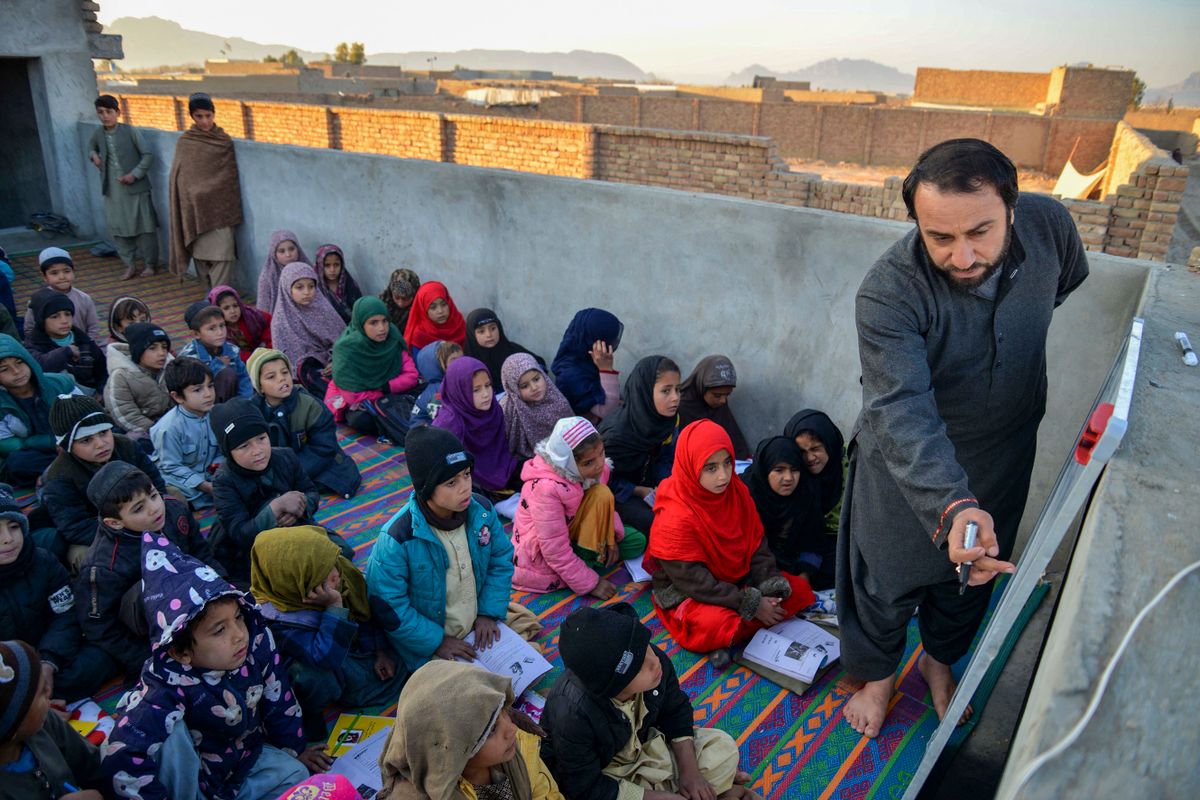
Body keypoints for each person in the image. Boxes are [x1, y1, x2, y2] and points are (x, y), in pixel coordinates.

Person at [838, 138, 1089, 739]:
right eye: (940, 238)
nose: (963, 255)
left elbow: (1065, 281)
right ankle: (876, 678)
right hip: (907, 464)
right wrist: (952, 503)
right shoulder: (889, 291)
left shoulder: (1051, 225)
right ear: (916, 225)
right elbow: (901, 407)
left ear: (1013, 207)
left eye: (980, 232)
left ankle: (937, 662)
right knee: (885, 577)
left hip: (1003, 452)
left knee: (972, 572)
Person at [100, 536, 319, 800]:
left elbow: (280, 700)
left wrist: (294, 749)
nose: (239, 634)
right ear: (181, 652)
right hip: (193, 779)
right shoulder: (163, 685)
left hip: (241, 760)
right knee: (171, 735)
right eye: (219, 630)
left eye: (238, 618)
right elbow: (122, 759)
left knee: (296, 774)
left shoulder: (256, 642)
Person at [541, 603, 754, 800]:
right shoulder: (573, 713)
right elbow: (582, 785)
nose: (654, 661)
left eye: (646, 647)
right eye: (639, 666)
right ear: (614, 686)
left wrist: (691, 773)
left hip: (646, 747)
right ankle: (720, 790)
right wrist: (660, 798)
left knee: (722, 748)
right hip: (610, 770)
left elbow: (676, 710)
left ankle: (700, 787)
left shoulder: (654, 662)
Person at [647, 420, 815, 668]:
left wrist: (768, 588)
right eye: (711, 468)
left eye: (727, 463)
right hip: (691, 592)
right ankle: (740, 627)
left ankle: (739, 633)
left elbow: (756, 542)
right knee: (717, 624)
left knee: (798, 590)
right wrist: (751, 604)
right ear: (690, 465)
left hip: (737, 580)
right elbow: (696, 582)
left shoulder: (736, 492)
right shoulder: (675, 516)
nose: (724, 475)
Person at [365, 425, 517, 675]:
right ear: (426, 488)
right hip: (429, 641)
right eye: (451, 482)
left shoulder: (481, 511)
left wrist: (489, 613)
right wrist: (437, 641)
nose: (465, 487)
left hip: (476, 626)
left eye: (467, 474)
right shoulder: (398, 538)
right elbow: (389, 606)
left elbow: (500, 560)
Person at [249, 526, 404, 741]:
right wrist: (334, 606)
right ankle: (314, 712)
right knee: (314, 677)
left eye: (332, 563)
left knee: (403, 651)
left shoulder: (339, 570)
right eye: (322, 570)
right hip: (324, 659)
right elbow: (325, 657)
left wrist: (379, 651)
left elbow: (364, 612)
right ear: (294, 578)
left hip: (347, 643)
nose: (335, 573)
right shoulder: (276, 619)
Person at [77, 462, 224, 683]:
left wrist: (226, 590)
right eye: (138, 508)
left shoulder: (174, 510)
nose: (154, 508)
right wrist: (149, 659)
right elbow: (101, 627)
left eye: (153, 495)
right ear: (114, 523)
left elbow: (202, 554)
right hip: (149, 630)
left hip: (194, 602)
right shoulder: (103, 566)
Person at [208, 398, 353, 584]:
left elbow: (310, 491)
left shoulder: (285, 456)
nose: (257, 450)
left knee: (341, 554)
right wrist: (276, 508)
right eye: (244, 446)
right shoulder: (224, 481)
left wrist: (299, 506)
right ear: (228, 451)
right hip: (253, 549)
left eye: (261, 439)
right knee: (296, 578)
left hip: (298, 525)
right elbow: (239, 532)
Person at [378, 660, 564, 800]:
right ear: (450, 751)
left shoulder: (520, 746)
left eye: (504, 712)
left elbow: (546, 793)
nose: (512, 729)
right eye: (491, 730)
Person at [512, 417, 645, 599]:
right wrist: (592, 583)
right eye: (589, 462)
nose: (599, 464)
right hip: (544, 552)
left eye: (601, 453)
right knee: (602, 493)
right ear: (567, 463)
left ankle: (591, 555)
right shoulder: (545, 489)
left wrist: (611, 536)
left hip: (578, 529)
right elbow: (554, 550)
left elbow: (603, 506)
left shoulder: (595, 469)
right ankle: (587, 560)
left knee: (637, 542)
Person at [0, 486, 110, 702]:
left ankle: (31, 701)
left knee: (102, 657)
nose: (7, 539)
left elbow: (65, 615)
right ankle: (28, 702)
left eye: (13, 527)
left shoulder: (43, 561)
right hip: (6, 672)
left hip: (49, 654)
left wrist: (47, 664)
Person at [41, 396, 167, 565]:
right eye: (86, 440)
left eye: (103, 432)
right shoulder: (58, 476)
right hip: (100, 531)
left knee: (174, 496)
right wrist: (129, 529)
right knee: (85, 557)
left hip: (142, 511)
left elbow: (156, 483)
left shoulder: (126, 445)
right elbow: (75, 527)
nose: (100, 444)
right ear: (67, 446)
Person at [247, 348, 361, 499]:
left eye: (285, 372)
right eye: (271, 377)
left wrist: (289, 473)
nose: (281, 379)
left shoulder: (310, 406)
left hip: (311, 462)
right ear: (259, 387)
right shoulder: (252, 412)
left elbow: (324, 447)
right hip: (276, 465)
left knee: (336, 475)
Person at [0, 640, 106, 800]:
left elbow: (93, 766)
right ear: (13, 728)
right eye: (42, 692)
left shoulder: (45, 722)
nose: (50, 692)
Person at [598, 355, 680, 541]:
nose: (675, 398)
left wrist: (665, 484)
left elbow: (667, 457)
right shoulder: (616, 435)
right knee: (659, 523)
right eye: (666, 391)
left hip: (650, 485)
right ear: (644, 392)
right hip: (618, 494)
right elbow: (599, 480)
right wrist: (638, 490)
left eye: (678, 389)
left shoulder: (668, 420)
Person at [168, 92, 243, 290]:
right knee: (201, 259)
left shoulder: (223, 140)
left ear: (214, 114)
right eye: (199, 116)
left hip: (220, 212)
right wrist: (194, 196)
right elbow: (180, 178)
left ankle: (220, 297)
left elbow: (228, 177)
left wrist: (209, 190)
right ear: (192, 116)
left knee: (224, 256)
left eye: (208, 116)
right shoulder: (186, 142)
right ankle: (210, 297)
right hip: (196, 212)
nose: (205, 121)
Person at [743, 436, 831, 589]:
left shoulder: (806, 492)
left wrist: (805, 574)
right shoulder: (745, 495)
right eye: (779, 470)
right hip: (758, 562)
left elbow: (813, 538)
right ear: (764, 469)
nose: (788, 478)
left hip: (792, 558)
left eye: (795, 470)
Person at [88, 94, 160, 280]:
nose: (105, 116)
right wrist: (94, 155)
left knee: (145, 227)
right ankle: (129, 265)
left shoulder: (130, 131)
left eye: (109, 112)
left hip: (136, 189)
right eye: (100, 113)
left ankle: (150, 265)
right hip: (112, 190)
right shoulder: (98, 133)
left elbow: (148, 155)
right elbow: (91, 147)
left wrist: (134, 174)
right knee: (118, 229)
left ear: (118, 112)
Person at [324, 296, 419, 436]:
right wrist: (382, 393)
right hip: (358, 401)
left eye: (385, 321)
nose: (382, 328)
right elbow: (351, 394)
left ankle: (392, 422)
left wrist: (387, 386)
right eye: (373, 323)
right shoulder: (346, 349)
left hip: (389, 392)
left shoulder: (392, 338)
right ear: (360, 323)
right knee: (362, 420)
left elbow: (412, 375)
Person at [433, 356, 520, 496]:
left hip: (500, 468)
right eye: (476, 390)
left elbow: (501, 450)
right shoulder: (449, 423)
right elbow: (446, 467)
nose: (486, 394)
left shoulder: (493, 409)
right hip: (466, 478)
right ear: (459, 391)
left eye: (488, 385)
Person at [0, 335, 74, 488]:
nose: (16, 371)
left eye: (19, 362)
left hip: (73, 442)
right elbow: (6, 443)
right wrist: (46, 443)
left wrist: (69, 441)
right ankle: (69, 469)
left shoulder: (58, 384)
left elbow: (86, 415)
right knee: (17, 463)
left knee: (108, 435)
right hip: (37, 453)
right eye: (4, 369)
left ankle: (60, 471)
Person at [149, 357, 222, 509]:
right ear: (177, 397)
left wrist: (219, 469)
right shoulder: (169, 428)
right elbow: (171, 466)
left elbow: (222, 451)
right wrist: (204, 485)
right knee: (174, 497)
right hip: (180, 481)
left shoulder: (217, 414)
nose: (208, 394)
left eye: (210, 386)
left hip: (209, 474)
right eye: (198, 390)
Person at [270, 263, 345, 398]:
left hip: (336, 361)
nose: (307, 292)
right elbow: (286, 362)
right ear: (287, 288)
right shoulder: (280, 322)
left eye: (311, 286)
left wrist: (336, 360)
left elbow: (344, 340)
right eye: (299, 287)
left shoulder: (324, 309)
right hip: (307, 373)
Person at [24, 289, 107, 395]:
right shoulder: (34, 345)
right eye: (55, 316)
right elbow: (39, 366)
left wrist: (101, 392)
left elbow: (102, 371)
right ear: (41, 320)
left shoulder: (85, 342)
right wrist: (66, 351)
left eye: (67, 314)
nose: (64, 320)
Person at [550, 308, 622, 422]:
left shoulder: (587, 359)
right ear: (594, 342)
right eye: (607, 341)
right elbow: (607, 412)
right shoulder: (570, 375)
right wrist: (606, 370)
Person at [103, 322, 173, 439]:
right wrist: (159, 431)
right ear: (138, 351)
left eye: (164, 347)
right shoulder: (121, 377)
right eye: (152, 348)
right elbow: (126, 415)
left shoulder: (171, 368)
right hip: (140, 432)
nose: (161, 353)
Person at [23, 249, 103, 348]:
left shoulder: (84, 298)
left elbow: (93, 328)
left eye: (66, 271)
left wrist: (86, 347)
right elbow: (30, 329)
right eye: (54, 273)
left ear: (73, 271)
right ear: (44, 276)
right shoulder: (37, 301)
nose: (62, 277)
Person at [784, 409, 846, 536]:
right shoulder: (789, 471)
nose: (810, 458)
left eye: (815, 449)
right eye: (802, 451)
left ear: (829, 444)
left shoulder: (853, 465)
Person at [500, 353, 572, 461]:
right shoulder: (508, 409)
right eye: (525, 386)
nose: (534, 387)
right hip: (524, 463)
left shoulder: (556, 400)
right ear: (513, 388)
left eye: (536, 379)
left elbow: (571, 435)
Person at [677, 355, 749, 460]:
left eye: (727, 395)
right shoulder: (681, 407)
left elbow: (736, 445)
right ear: (702, 387)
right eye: (717, 395)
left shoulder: (720, 406)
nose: (723, 401)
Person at [178, 302, 253, 402]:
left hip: (234, 402)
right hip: (202, 406)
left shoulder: (232, 350)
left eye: (222, 325)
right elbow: (194, 388)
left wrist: (245, 401)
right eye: (212, 328)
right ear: (196, 334)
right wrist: (218, 365)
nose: (220, 332)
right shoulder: (188, 358)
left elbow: (243, 377)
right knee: (226, 373)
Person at [463, 308, 543, 388]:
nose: (489, 334)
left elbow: (539, 364)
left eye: (493, 328)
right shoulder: (468, 363)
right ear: (472, 335)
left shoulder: (513, 350)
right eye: (481, 331)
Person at [208, 285, 272, 363]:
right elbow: (232, 353)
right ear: (217, 310)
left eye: (235, 306)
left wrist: (268, 345)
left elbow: (270, 322)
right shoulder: (217, 331)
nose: (232, 311)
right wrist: (257, 358)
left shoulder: (251, 316)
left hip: (266, 351)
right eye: (226, 308)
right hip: (243, 363)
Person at [403, 281, 466, 353]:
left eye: (444, 304)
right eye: (433, 307)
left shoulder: (459, 324)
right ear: (424, 310)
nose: (440, 311)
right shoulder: (420, 334)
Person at [257, 230, 310, 315]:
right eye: (282, 251)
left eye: (291, 249)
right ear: (274, 254)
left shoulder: (307, 270)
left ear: (298, 249)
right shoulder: (267, 277)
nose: (288, 255)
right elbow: (263, 310)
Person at [410, 340, 461, 425]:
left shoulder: (452, 382)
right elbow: (444, 423)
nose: (461, 363)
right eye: (453, 360)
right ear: (437, 366)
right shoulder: (437, 393)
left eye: (461, 358)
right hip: (424, 433)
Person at [313, 244, 362, 319]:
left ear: (342, 265)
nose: (332, 270)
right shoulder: (315, 288)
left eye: (336, 265)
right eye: (327, 265)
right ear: (320, 266)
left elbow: (360, 307)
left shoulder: (350, 284)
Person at [379, 267, 420, 333]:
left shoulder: (420, 309)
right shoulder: (381, 304)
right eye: (396, 297)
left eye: (406, 299)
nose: (400, 303)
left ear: (414, 294)